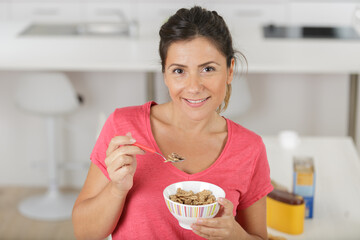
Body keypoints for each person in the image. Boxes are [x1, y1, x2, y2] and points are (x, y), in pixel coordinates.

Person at [72, 6, 273, 240]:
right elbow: (83, 233)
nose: (194, 87)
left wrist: (235, 235)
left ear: (229, 71)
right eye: (179, 71)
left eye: (208, 69)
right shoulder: (124, 127)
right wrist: (117, 188)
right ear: (165, 74)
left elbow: (258, 236)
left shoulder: (250, 148)